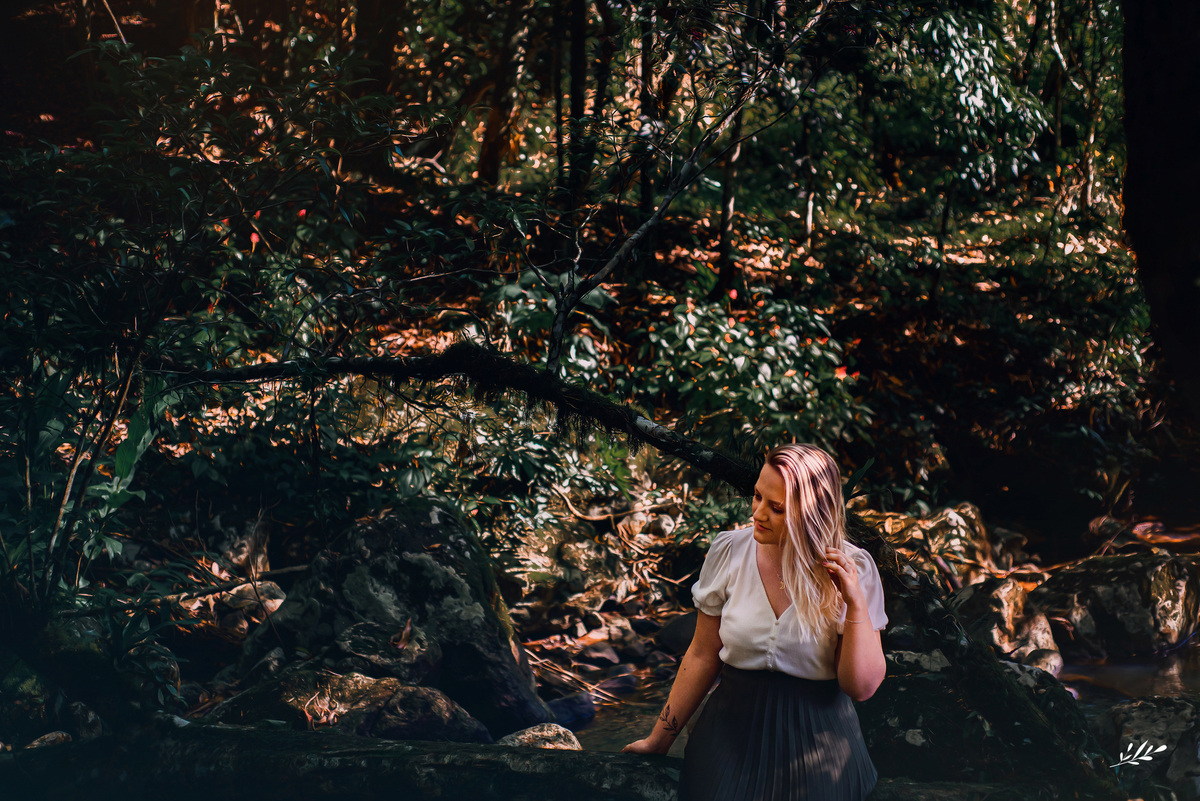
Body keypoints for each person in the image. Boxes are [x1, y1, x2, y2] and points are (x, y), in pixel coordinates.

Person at [622, 443, 888, 801]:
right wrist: (658, 740)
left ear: (813, 514)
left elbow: (862, 687)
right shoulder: (729, 550)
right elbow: (702, 655)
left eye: (776, 508)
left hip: (822, 745)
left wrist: (855, 603)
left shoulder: (853, 568)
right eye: (757, 496)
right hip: (727, 737)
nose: (758, 513)